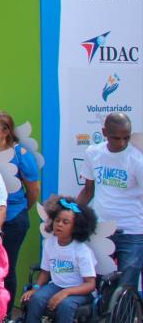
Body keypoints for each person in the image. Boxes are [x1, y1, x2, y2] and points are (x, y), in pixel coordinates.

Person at [0, 110, 40, 316]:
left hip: (13, 219)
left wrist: (20, 211)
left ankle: (4, 314)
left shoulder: (20, 154)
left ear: (6, 132)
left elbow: (33, 190)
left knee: (5, 268)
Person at [77, 112, 142, 288]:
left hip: (131, 231)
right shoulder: (93, 153)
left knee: (126, 287)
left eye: (126, 138)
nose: (121, 143)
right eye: (116, 138)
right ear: (104, 132)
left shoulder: (137, 159)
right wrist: (72, 213)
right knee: (97, 283)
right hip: (101, 228)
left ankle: (127, 316)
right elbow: (88, 190)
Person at [21, 196, 98, 323]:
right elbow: (45, 272)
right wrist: (35, 288)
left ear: (75, 227)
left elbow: (90, 284)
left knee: (66, 305)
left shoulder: (81, 251)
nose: (60, 224)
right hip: (56, 285)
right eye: (57, 220)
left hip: (80, 290)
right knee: (36, 299)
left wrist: (65, 292)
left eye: (65, 222)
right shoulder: (49, 243)